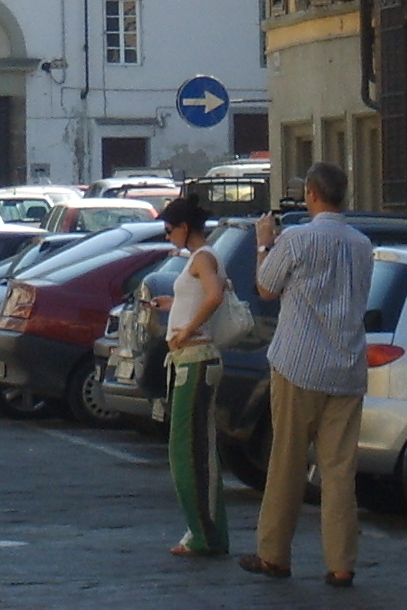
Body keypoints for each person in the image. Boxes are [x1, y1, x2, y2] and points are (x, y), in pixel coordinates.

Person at [241, 161, 373, 587]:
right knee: (339, 471)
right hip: (347, 365)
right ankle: (340, 563)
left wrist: (264, 243)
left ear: (312, 195)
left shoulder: (297, 238)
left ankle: (274, 553)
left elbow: (265, 287)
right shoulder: (361, 244)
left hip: (299, 362)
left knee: (287, 462)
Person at [151, 194, 228, 557]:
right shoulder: (200, 259)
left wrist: (185, 330)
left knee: (187, 449)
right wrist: (173, 308)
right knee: (196, 447)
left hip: (195, 359)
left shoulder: (202, 258)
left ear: (184, 228)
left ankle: (202, 533)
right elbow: (202, 295)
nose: (167, 237)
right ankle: (208, 530)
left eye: (169, 231)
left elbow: (213, 296)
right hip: (191, 360)